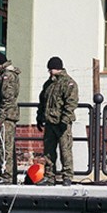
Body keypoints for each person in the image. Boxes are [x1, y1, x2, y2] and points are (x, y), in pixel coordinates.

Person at [36, 56, 79, 186]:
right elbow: (42, 101)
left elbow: (71, 103)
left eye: (52, 69)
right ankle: (49, 176)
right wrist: (39, 117)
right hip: (50, 122)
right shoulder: (48, 84)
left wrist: (65, 120)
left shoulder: (68, 83)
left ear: (58, 68)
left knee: (65, 150)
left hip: (61, 123)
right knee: (48, 151)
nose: (50, 72)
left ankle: (67, 176)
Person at [0, 52, 21, 184]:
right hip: (6, 115)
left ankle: (7, 175)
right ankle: (5, 174)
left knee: (4, 146)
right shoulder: (4, 74)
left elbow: (7, 98)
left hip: (7, 116)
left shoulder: (6, 76)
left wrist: (1, 116)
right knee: (3, 145)